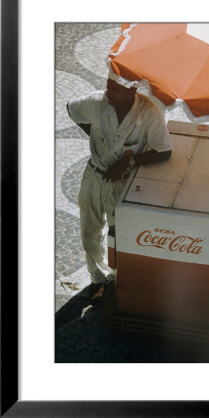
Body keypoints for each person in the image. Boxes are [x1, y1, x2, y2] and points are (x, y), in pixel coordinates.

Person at [67, 73, 173, 291]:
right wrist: (94, 133)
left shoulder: (149, 112)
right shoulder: (97, 102)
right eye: (108, 85)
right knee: (90, 232)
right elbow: (72, 108)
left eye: (115, 87)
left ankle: (117, 280)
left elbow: (164, 151)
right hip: (93, 177)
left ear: (132, 90)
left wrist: (129, 161)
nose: (108, 91)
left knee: (121, 235)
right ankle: (97, 277)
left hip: (124, 184)